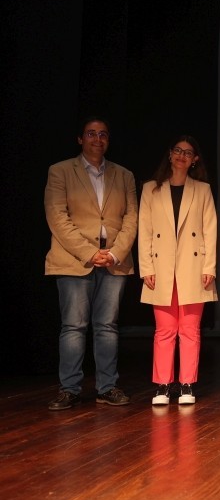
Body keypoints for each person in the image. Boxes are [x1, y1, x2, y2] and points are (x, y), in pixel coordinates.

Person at [44, 118, 138, 410]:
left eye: (103, 134)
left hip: (113, 261)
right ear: (80, 139)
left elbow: (132, 218)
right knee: (74, 326)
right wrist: (89, 252)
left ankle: (107, 387)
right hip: (74, 260)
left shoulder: (124, 175)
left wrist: (114, 253)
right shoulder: (60, 171)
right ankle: (69, 389)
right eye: (91, 134)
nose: (98, 139)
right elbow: (57, 216)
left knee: (107, 326)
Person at [138, 136, 218, 406]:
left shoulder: (202, 190)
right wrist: (146, 267)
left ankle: (186, 384)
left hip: (193, 266)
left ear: (195, 159)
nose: (182, 156)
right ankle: (162, 385)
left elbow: (210, 229)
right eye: (178, 151)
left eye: (188, 152)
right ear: (170, 154)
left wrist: (209, 266)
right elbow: (145, 231)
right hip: (160, 267)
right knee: (164, 330)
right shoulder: (151, 189)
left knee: (190, 330)